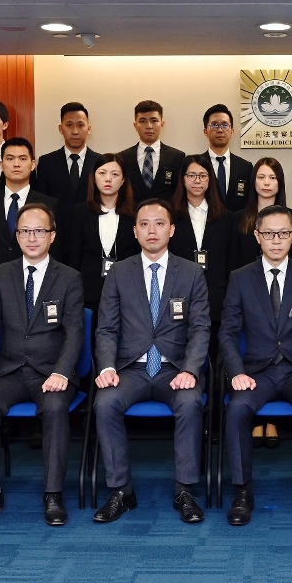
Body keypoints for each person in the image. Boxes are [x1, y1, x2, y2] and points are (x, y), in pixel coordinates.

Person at [91, 199, 211, 524]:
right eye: (144, 224)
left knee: (190, 402)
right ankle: (121, 491)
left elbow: (200, 328)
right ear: (134, 231)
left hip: (175, 369)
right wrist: (107, 367)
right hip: (130, 369)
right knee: (105, 403)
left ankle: (185, 490)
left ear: (172, 230)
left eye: (159, 223)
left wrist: (190, 369)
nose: (152, 230)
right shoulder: (119, 273)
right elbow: (106, 328)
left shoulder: (191, 273)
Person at [0, 203, 85, 528]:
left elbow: (75, 332)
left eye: (39, 231)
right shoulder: (0, 274)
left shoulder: (69, 278)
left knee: (56, 409)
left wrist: (62, 372)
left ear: (52, 236)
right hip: (9, 371)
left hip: (51, 372)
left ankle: (53, 494)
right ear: (17, 236)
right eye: (25, 231)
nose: (32, 238)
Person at [219, 205, 292, 526]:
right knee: (237, 409)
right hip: (257, 373)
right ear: (257, 236)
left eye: (283, 233)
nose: (276, 239)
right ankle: (242, 490)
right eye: (269, 233)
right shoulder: (240, 278)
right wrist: (236, 372)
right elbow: (227, 332)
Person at [0, 137, 58, 307]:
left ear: (32, 165)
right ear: (1, 165)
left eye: (22, 159)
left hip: (36, 287)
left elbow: (56, 251)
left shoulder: (49, 204)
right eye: (10, 159)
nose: (16, 164)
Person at [168, 157, 233, 349]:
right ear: (183, 179)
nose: (197, 180)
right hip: (178, 293)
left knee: (213, 352)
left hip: (216, 296)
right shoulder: (169, 214)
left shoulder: (226, 217)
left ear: (210, 179)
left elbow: (230, 260)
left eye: (203, 176)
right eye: (192, 175)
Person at [70, 154, 138, 314]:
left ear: (123, 180)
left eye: (115, 174)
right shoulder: (80, 212)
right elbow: (74, 255)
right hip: (88, 292)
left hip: (127, 292)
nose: (108, 179)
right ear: (94, 178)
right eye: (102, 173)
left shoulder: (135, 213)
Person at [232, 157, 292, 268]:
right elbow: (233, 260)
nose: (266, 183)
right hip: (246, 277)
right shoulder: (238, 218)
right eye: (261, 177)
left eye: (272, 178)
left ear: (280, 182)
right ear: (253, 181)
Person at [36, 101, 102, 209]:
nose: (75, 131)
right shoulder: (46, 163)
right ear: (60, 129)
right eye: (69, 125)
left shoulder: (100, 162)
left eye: (80, 125)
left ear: (89, 129)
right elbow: (42, 201)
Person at [118, 100, 186, 203]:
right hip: (132, 212)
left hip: (166, 212)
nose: (149, 126)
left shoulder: (177, 157)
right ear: (135, 125)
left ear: (162, 124)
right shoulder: (122, 158)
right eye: (142, 121)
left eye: (154, 121)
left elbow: (180, 192)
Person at [199, 104, 254, 213]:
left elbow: (250, 202)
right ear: (205, 131)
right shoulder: (196, 165)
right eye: (214, 125)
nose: (220, 130)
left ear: (232, 131)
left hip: (237, 223)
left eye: (225, 125)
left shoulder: (245, 167)